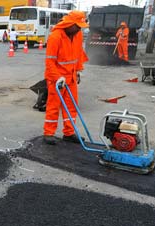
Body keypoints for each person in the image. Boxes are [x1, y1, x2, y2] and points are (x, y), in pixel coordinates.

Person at [43, 10, 89, 145]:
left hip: (71, 77)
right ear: (69, 24)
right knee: (53, 106)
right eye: (77, 25)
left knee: (71, 106)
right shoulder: (55, 37)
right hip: (57, 79)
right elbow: (50, 62)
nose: (79, 28)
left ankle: (69, 133)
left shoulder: (78, 34)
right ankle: (48, 133)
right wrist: (58, 77)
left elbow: (79, 54)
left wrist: (78, 71)